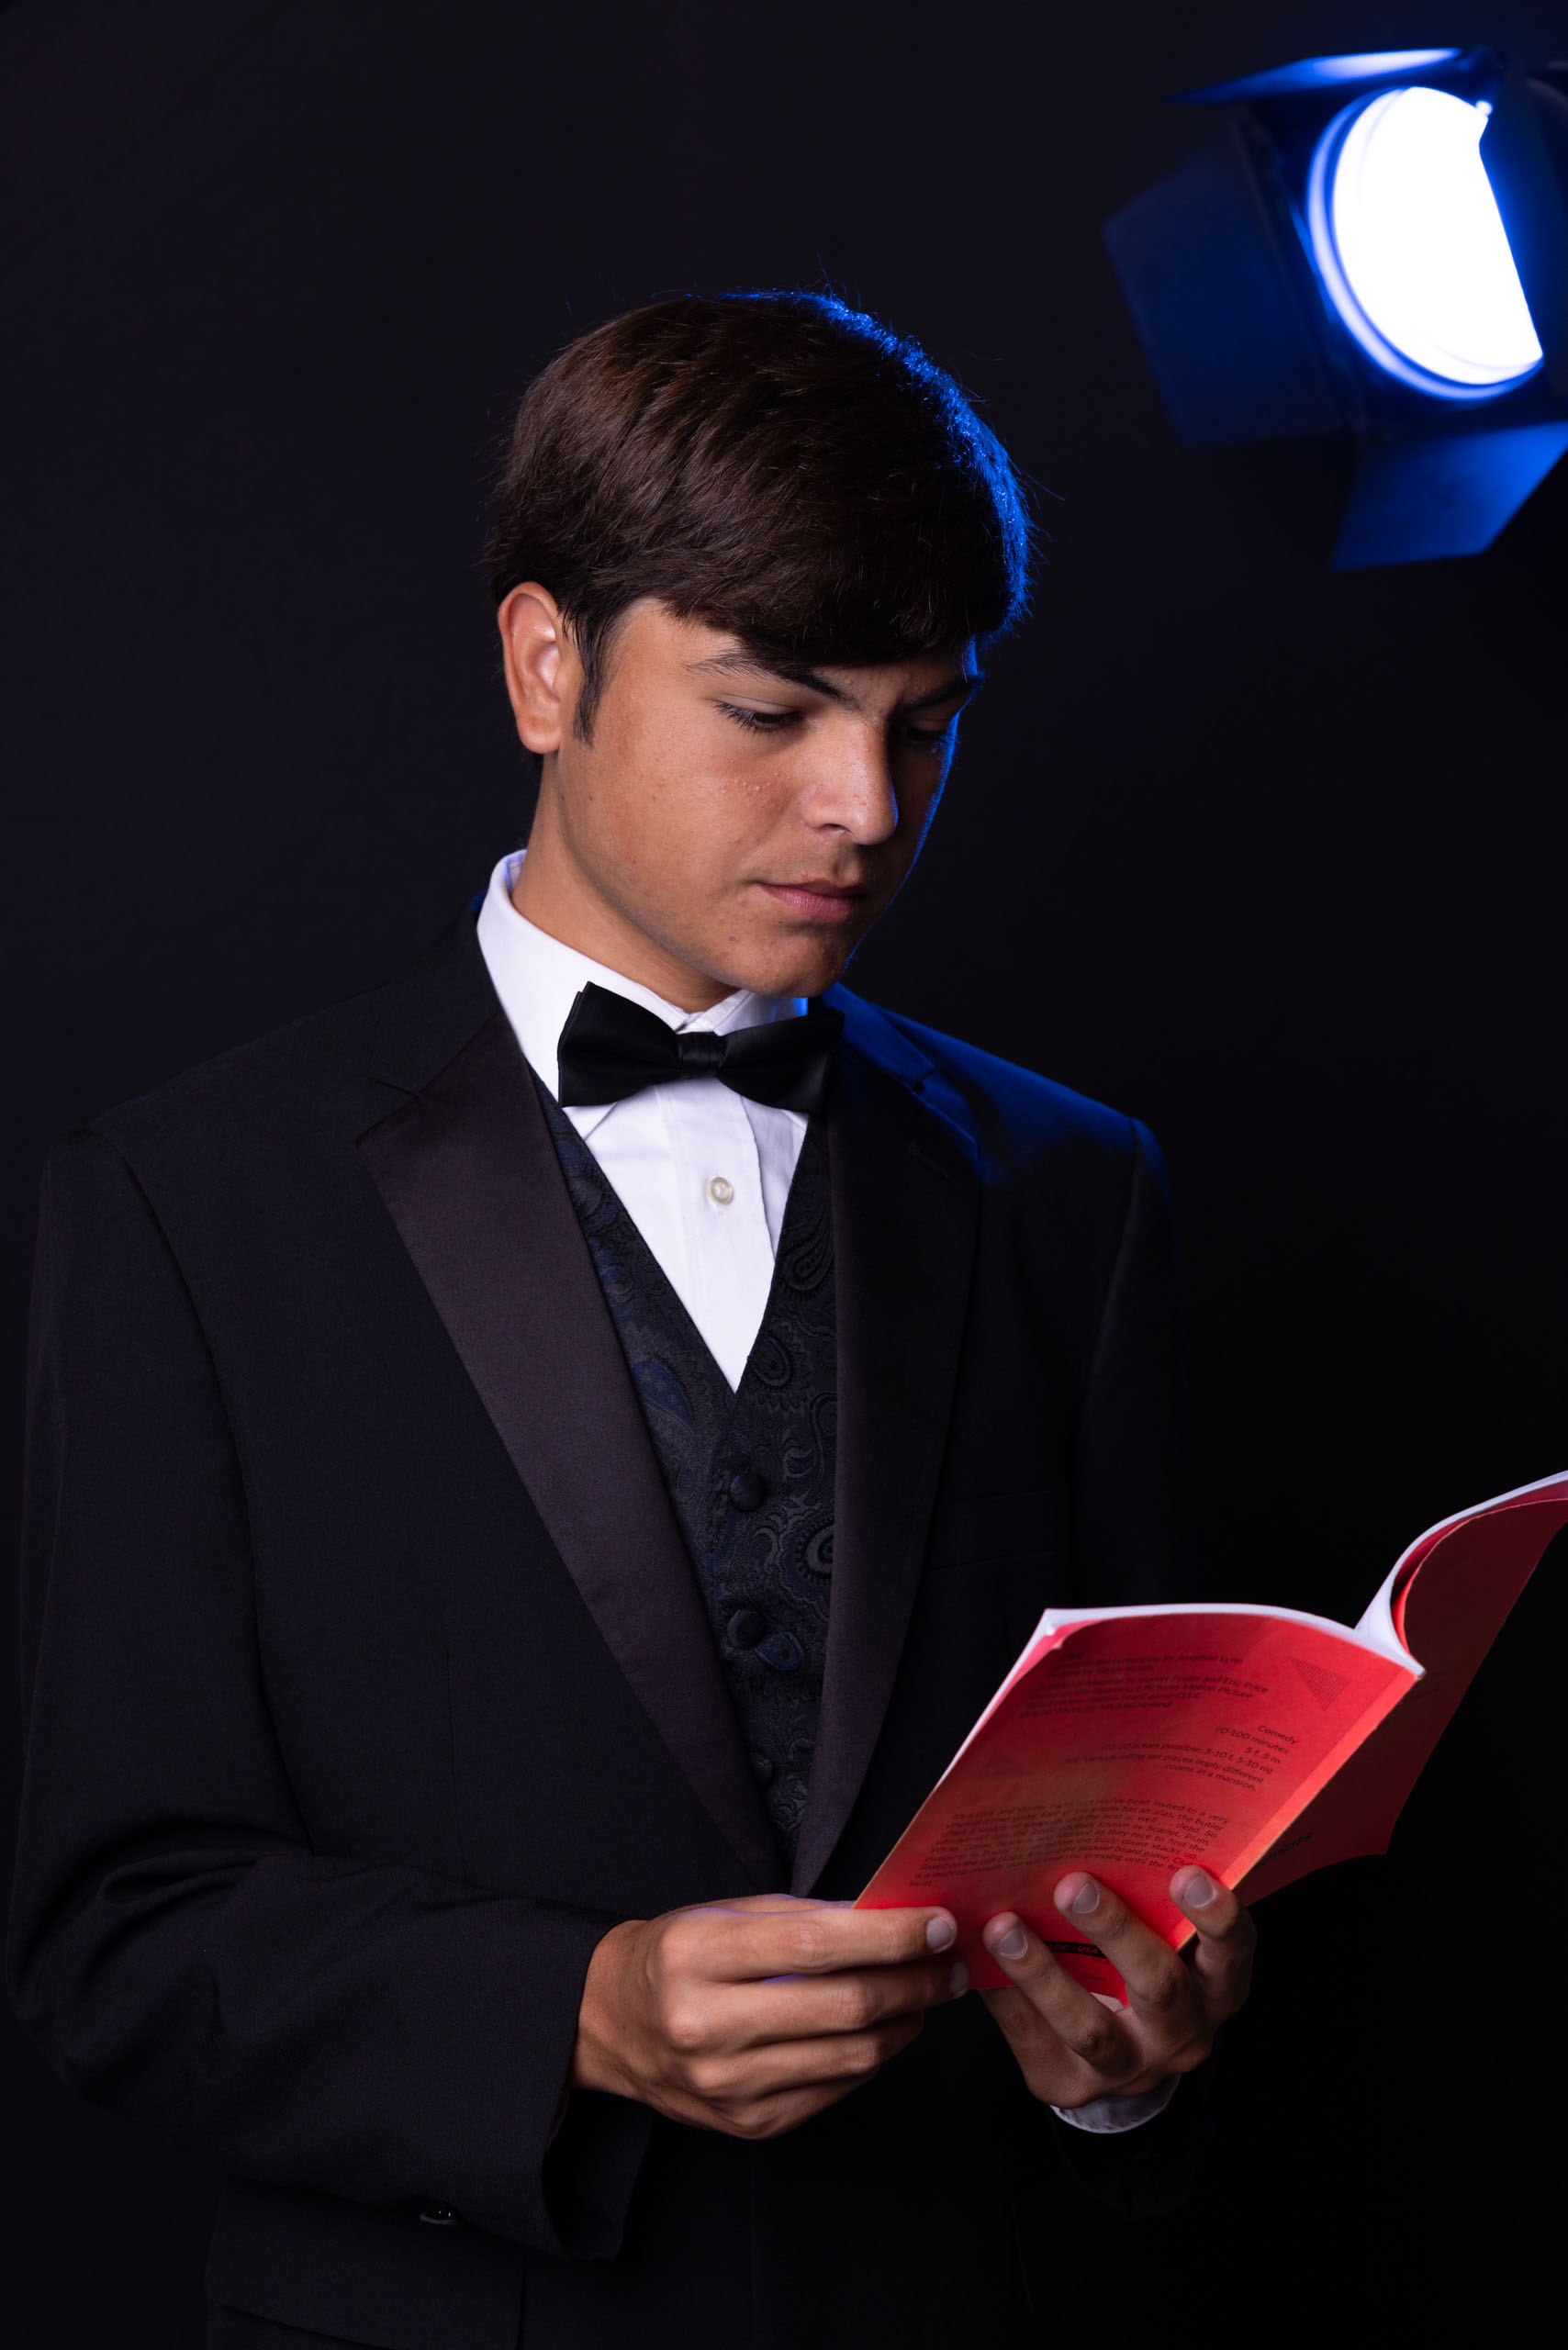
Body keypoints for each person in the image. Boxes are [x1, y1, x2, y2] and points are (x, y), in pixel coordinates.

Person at [10, 291, 1254, 2349]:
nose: (863, 803)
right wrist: (569, 2013)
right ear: (541, 664)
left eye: (923, 719)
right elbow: (116, 1936)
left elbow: (1137, 1862)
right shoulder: (181, 1200)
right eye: (772, 710)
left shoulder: (1073, 1189)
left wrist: (1126, 2062)